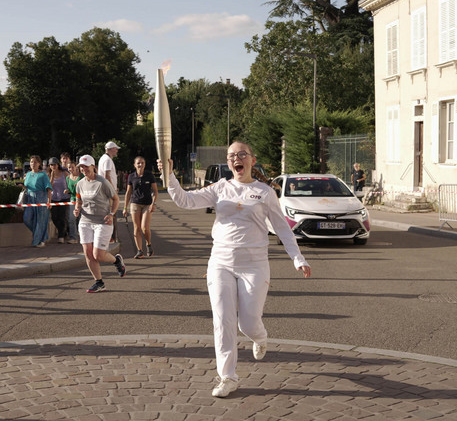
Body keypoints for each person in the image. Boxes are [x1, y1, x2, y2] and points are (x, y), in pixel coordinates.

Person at [157, 141, 312, 398]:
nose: (236, 159)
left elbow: (283, 228)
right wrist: (170, 175)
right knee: (223, 321)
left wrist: (298, 258)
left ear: (252, 160)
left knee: (248, 323)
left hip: (254, 265)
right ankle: (227, 377)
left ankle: (260, 337)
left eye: (241, 154)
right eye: (231, 156)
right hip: (220, 262)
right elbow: (184, 201)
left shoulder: (265, 192)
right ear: (228, 163)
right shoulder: (220, 188)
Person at [73, 154, 126, 293]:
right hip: (85, 221)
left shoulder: (102, 182)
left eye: (86, 166)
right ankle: (99, 282)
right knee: (88, 254)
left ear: (93, 167)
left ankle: (116, 261)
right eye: (81, 167)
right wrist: (77, 208)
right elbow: (78, 200)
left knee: (98, 255)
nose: (84, 169)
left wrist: (112, 214)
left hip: (103, 221)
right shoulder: (79, 184)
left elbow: (115, 199)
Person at [123, 156, 158, 258]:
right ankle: (139, 250)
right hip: (135, 203)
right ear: (134, 165)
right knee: (136, 227)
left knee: (144, 228)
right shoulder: (131, 176)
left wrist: (153, 203)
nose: (140, 165)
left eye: (142, 163)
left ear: (145, 164)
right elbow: (128, 192)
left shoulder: (149, 175)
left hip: (147, 204)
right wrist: (125, 207)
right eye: (138, 163)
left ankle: (148, 243)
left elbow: (155, 191)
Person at [20, 155, 52, 247]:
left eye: (35, 162)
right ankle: (42, 235)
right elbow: (27, 186)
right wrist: (22, 186)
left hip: (41, 198)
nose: (33, 164)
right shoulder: (28, 174)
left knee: (41, 221)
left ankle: (40, 241)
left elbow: (49, 189)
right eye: (31, 162)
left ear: (39, 164)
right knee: (27, 219)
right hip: (30, 198)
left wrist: (49, 202)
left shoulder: (43, 175)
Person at [98, 141, 120, 242]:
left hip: (105, 190)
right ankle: (110, 237)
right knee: (111, 212)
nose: (116, 151)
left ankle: (110, 236)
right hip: (108, 191)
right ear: (111, 149)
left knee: (108, 213)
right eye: (115, 149)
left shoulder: (104, 158)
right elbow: (107, 175)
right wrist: (113, 190)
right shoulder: (107, 160)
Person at [48, 157, 70, 243]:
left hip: (64, 198)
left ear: (58, 165)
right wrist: (52, 177)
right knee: (54, 218)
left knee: (62, 217)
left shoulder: (64, 173)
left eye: (54, 164)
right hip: (54, 198)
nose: (53, 166)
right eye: (51, 165)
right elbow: (49, 187)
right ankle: (64, 230)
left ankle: (61, 236)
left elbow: (70, 182)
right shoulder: (49, 174)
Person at [65, 160, 82, 244]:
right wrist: (67, 191)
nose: (71, 169)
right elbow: (71, 190)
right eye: (69, 167)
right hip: (73, 199)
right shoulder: (68, 178)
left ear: (76, 167)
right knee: (71, 219)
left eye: (72, 167)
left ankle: (83, 236)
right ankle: (73, 237)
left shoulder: (81, 176)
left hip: (82, 200)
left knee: (81, 219)